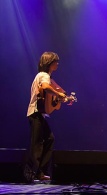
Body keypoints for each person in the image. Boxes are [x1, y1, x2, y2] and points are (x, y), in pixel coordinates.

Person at [26, 52, 66, 181]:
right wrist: (59, 95)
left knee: (49, 139)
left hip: (40, 114)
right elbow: (45, 87)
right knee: (37, 144)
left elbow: (52, 95)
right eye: (55, 61)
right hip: (36, 113)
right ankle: (32, 173)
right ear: (49, 63)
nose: (57, 64)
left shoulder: (48, 77)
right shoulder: (43, 75)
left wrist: (64, 98)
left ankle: (40, 172)